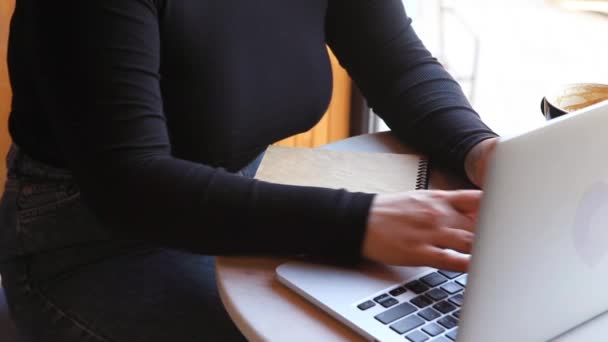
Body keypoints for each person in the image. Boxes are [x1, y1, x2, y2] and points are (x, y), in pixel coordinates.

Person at [0, 0, 498, 341]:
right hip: (91, 241)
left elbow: (395, 63)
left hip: (244, 196)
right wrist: (361, 223)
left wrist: (479, 149)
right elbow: (129, 185)